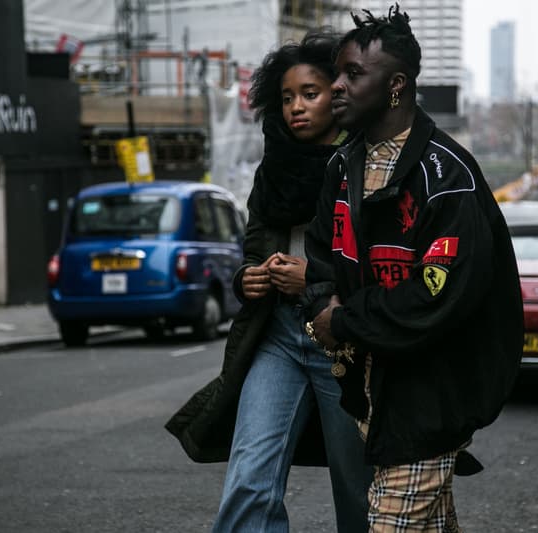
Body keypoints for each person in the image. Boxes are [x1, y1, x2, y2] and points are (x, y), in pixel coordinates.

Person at [303, 6, 524, 531]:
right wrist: (319, 305)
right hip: (373, 394)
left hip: (432, 398)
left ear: (396, 85)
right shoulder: (341, 164)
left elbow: (435, 297)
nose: (335, 85)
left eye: (353, 74)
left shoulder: (448, 176)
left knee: (388, 523)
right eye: (337, 72)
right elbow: (320, 256)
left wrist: (342, 321)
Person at [165, 31, 372, 533]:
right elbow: (254, 242)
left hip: (342, 343)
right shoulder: (273, 165)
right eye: (286, 97)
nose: (296, 107)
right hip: (276, 337)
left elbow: (381, 263)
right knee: (249, 478)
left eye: (310, 93)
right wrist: (249, 276)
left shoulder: (367, 166)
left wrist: (315, 279)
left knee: (356, 487)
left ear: (338, 93)